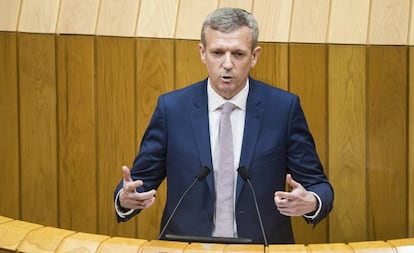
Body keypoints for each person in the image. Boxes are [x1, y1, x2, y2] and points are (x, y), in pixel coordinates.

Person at [114, 7, 334, 244]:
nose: (227, 64)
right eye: (217, 52)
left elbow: (318, 185)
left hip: (261, 247)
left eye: (238, 54)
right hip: (187, 248)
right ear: (202, 53)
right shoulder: (172, 109)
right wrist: (125, 200)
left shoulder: (282, 109)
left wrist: (311, 200)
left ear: (254, 56)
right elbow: (139, 182)